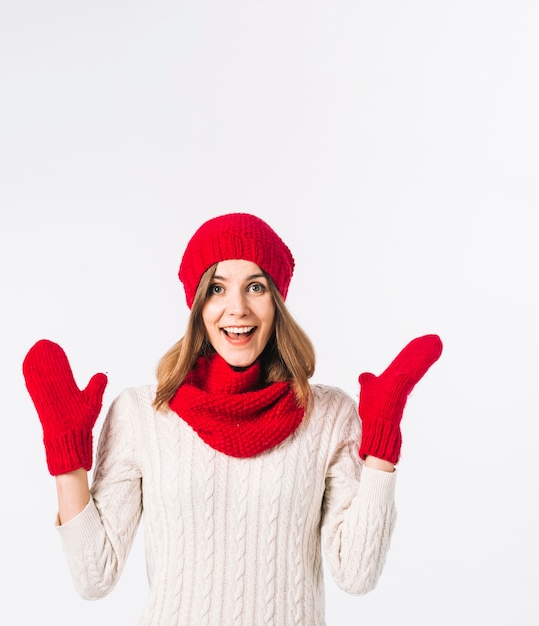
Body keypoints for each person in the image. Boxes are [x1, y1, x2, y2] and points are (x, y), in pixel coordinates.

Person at [22, 212, 443, 626]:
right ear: (198, 304)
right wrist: (67, 458)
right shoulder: (141, 414)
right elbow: (94, 576)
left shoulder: (329, 415)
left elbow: (357, 574)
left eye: (255, 287)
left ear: (277, 303)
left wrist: (381, 444)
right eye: (217, 289)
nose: (236, 308)